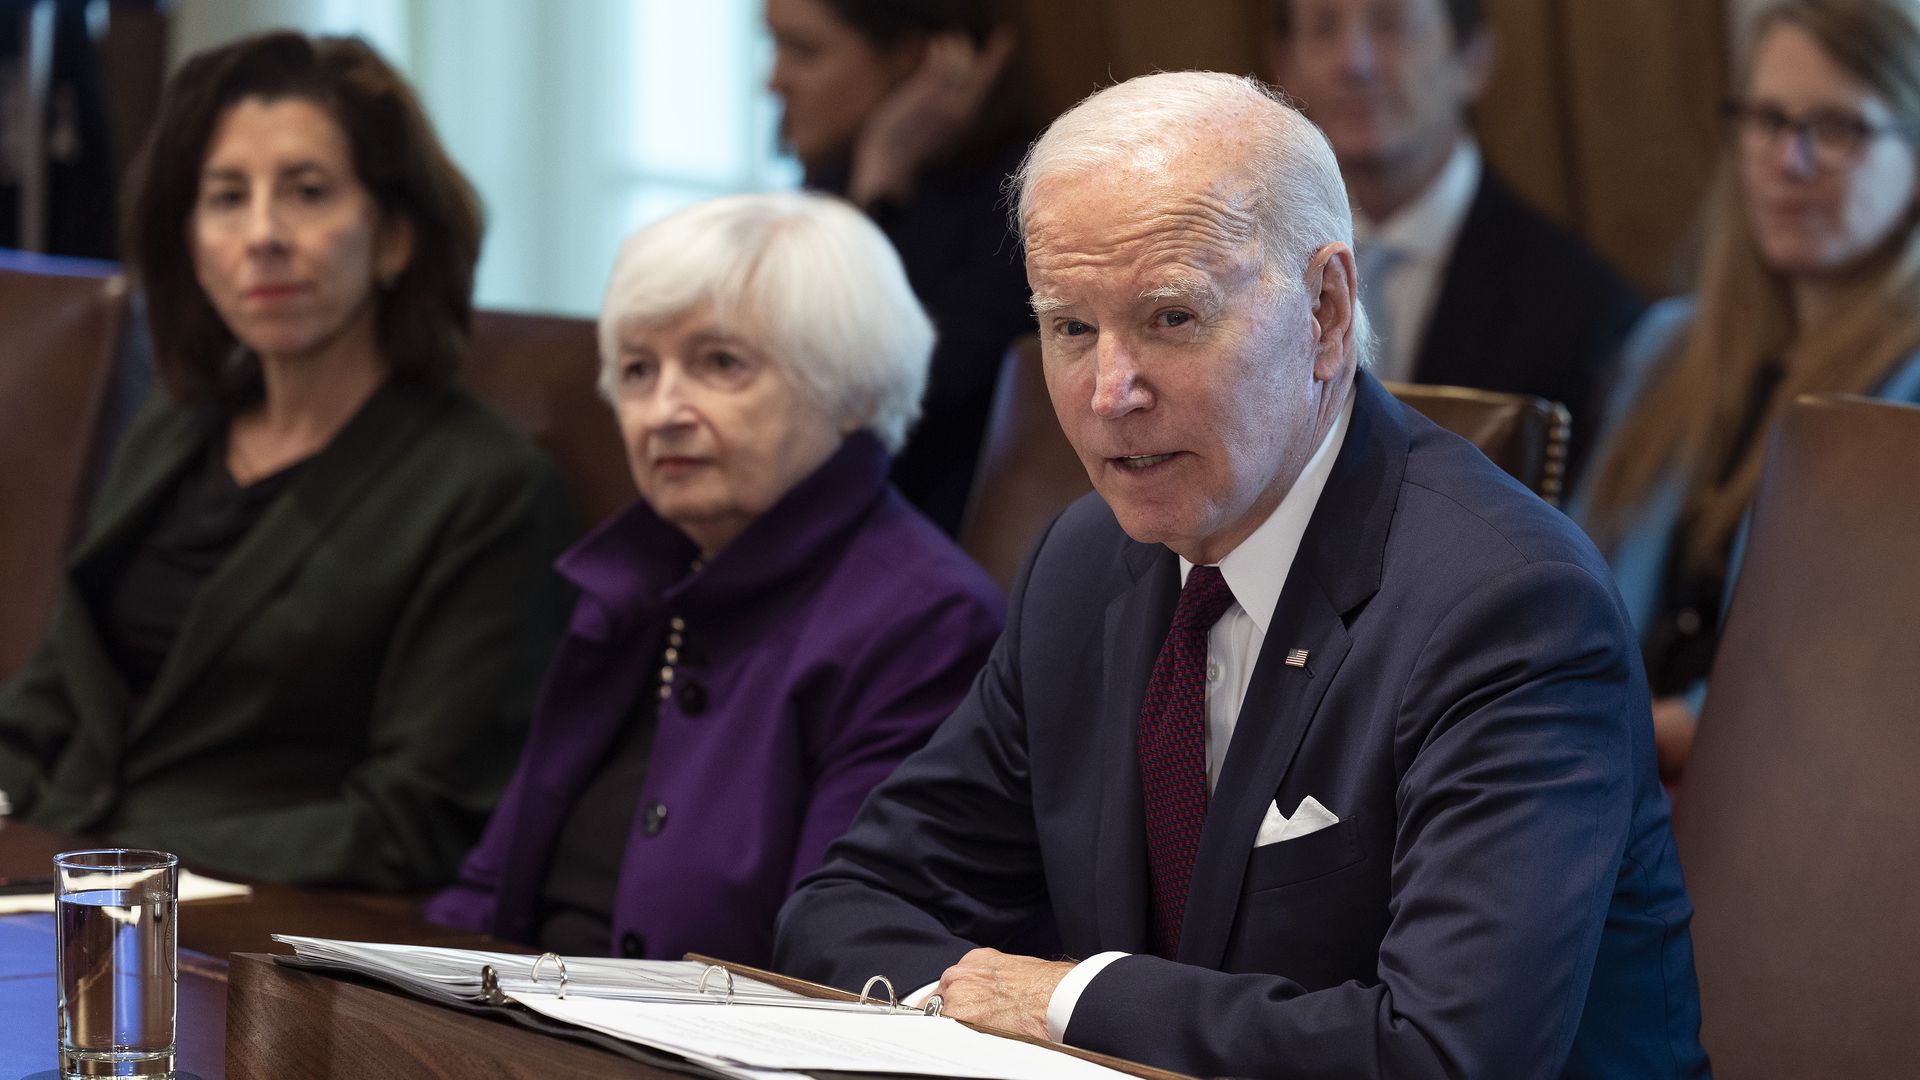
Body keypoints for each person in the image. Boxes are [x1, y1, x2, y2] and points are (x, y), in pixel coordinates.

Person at [773, 72, 1708, 1079]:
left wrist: (1070, 999)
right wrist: (976, 1003)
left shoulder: (1511, 607)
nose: (1109, 393)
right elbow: (848, 906)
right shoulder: (1083, 565)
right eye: (1071, 327)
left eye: (1172, 317)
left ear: (1326, 312)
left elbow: (1447, 1054)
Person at [0, 33, 575, 888]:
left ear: (393, 237)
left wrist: (112, 857)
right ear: (191, 241)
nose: (262, 234)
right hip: (59, 882)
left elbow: (416, 822)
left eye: (307, 192)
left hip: (246, 927)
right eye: (227, 197)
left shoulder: (489, 489)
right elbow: (56, 693)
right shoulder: (176, 426)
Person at [424, 191, 1005, 968]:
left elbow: (832, 958)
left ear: (854, 389)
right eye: (637, 370)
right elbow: (488, 889)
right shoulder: (633, 582)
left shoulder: (928, 622)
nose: (662, 411)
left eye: (720, 363)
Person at [1577, 0, 1920, 782]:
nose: (1786, 160)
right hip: (1600, 788)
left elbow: (1869, 674)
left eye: (1837, 129)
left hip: (1785, 815)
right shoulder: (1665, 350)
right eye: (1766, 119)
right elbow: (1562, 584)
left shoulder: (1910, 384)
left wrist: (1651, 728)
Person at [1266, 0, 1642, 477]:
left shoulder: (1585, 311)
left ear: (1473, 59)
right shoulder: (1250, 274)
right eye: (1322, 29)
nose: (1353, 63)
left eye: (1391, 25)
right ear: (1285, 68)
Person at [766, 0, 1034, 535]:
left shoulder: (1022, 202)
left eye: (803, 51)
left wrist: (878, 189)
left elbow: (858, 388)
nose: (773, 81)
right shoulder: (833, 187)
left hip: (928, 543)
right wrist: (870, 183)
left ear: (918, 60)